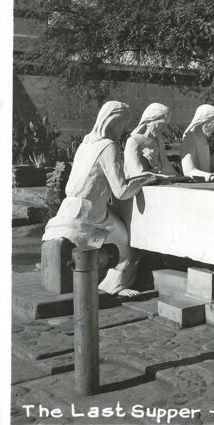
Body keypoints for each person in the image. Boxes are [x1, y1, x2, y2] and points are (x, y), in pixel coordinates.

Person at [42, 101, 156, 296]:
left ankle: (97, 267)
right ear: (113, 122)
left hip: (69, 207)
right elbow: (121, 191)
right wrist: (146, 178)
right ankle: (113, 287)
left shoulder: (84, 145)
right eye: (123, 124)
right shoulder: (108, 146)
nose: (124, 130)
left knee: (100, 238)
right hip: (91, 212)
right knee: (125, 242)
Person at [179, 104, 214, 182]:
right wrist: (213, 177)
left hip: (205, 182)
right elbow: (188, 171)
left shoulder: (202, 137)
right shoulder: (189, 137)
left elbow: (208, 168)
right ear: (204, 120)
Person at [124, 102, 177, 179]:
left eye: (166, 125)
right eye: (161, 124)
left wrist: (155, 165)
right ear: (149, 121)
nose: (164, 129)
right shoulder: (134, 141)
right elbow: (135, 174)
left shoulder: (159, 141)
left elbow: (168, 171)